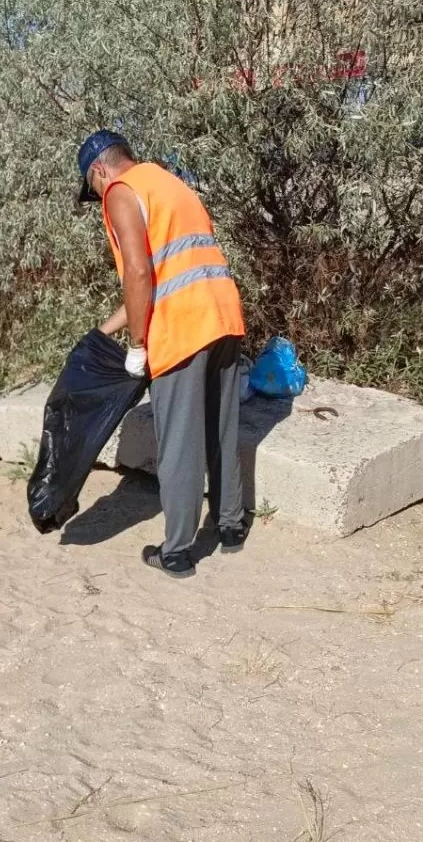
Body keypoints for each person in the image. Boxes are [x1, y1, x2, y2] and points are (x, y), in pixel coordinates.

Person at [78, 131, 249, 579]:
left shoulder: (119, 192)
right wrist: (102, 331)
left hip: (182, 328)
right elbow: (169, 271)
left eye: (92, 188)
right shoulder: (169, 183)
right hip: (223, 316)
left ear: (99, 170)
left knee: (179, 442)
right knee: (221, 429)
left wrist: (138, 344)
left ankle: (176, 551)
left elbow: (138, 273)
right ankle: (231, 527)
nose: (97, 196)